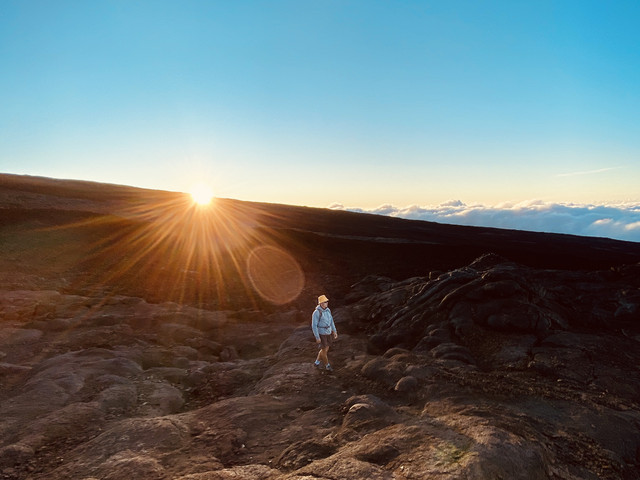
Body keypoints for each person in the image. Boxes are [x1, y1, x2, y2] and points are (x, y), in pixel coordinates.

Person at [311, 294, 338, 371]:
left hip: (328, 332)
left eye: (327, 301)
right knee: (324, 350)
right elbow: (314, 326)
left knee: (325, 349)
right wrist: (317, 337)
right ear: (321, 303)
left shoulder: (328, 310)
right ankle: (327, 365)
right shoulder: (316, 312)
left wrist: (334, 331)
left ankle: (316, 362)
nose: (327, 303)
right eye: (325, 302)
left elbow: (331, 321)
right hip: (321, 333)